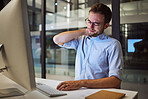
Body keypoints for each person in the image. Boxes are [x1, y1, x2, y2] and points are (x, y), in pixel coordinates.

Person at [53, 3, 123, 91]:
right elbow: (57, 39)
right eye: (89, 22)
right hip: (78, 91)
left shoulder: (113, 45)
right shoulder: (81, 40)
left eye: (96, 24)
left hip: (99, 93)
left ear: (106, 26)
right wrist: (84, 31)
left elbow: (115, 81)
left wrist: (81, 83)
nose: (91, 26)